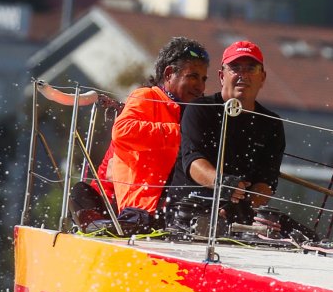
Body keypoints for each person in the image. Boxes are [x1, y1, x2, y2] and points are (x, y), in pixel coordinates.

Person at [166, 40, 285, 227]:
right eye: (235, 68)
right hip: (188, 212)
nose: (243, 75)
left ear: (262, 78)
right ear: (222, 76)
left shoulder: (272, 124)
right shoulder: (199, 110)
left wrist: (243, 204)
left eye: (251, 68)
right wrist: (223, 183)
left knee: (308, 237)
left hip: (239, 216)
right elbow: (193, 162)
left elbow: (266, 182)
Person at [106, 37, 209, 216]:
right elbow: (122, 131)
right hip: (141, 212)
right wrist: (180, 134)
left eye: (203, 78)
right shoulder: (147, 96)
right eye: (193, 76)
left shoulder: (196, 112)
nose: (200, 86)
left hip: (181, 211)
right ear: (169, 73)